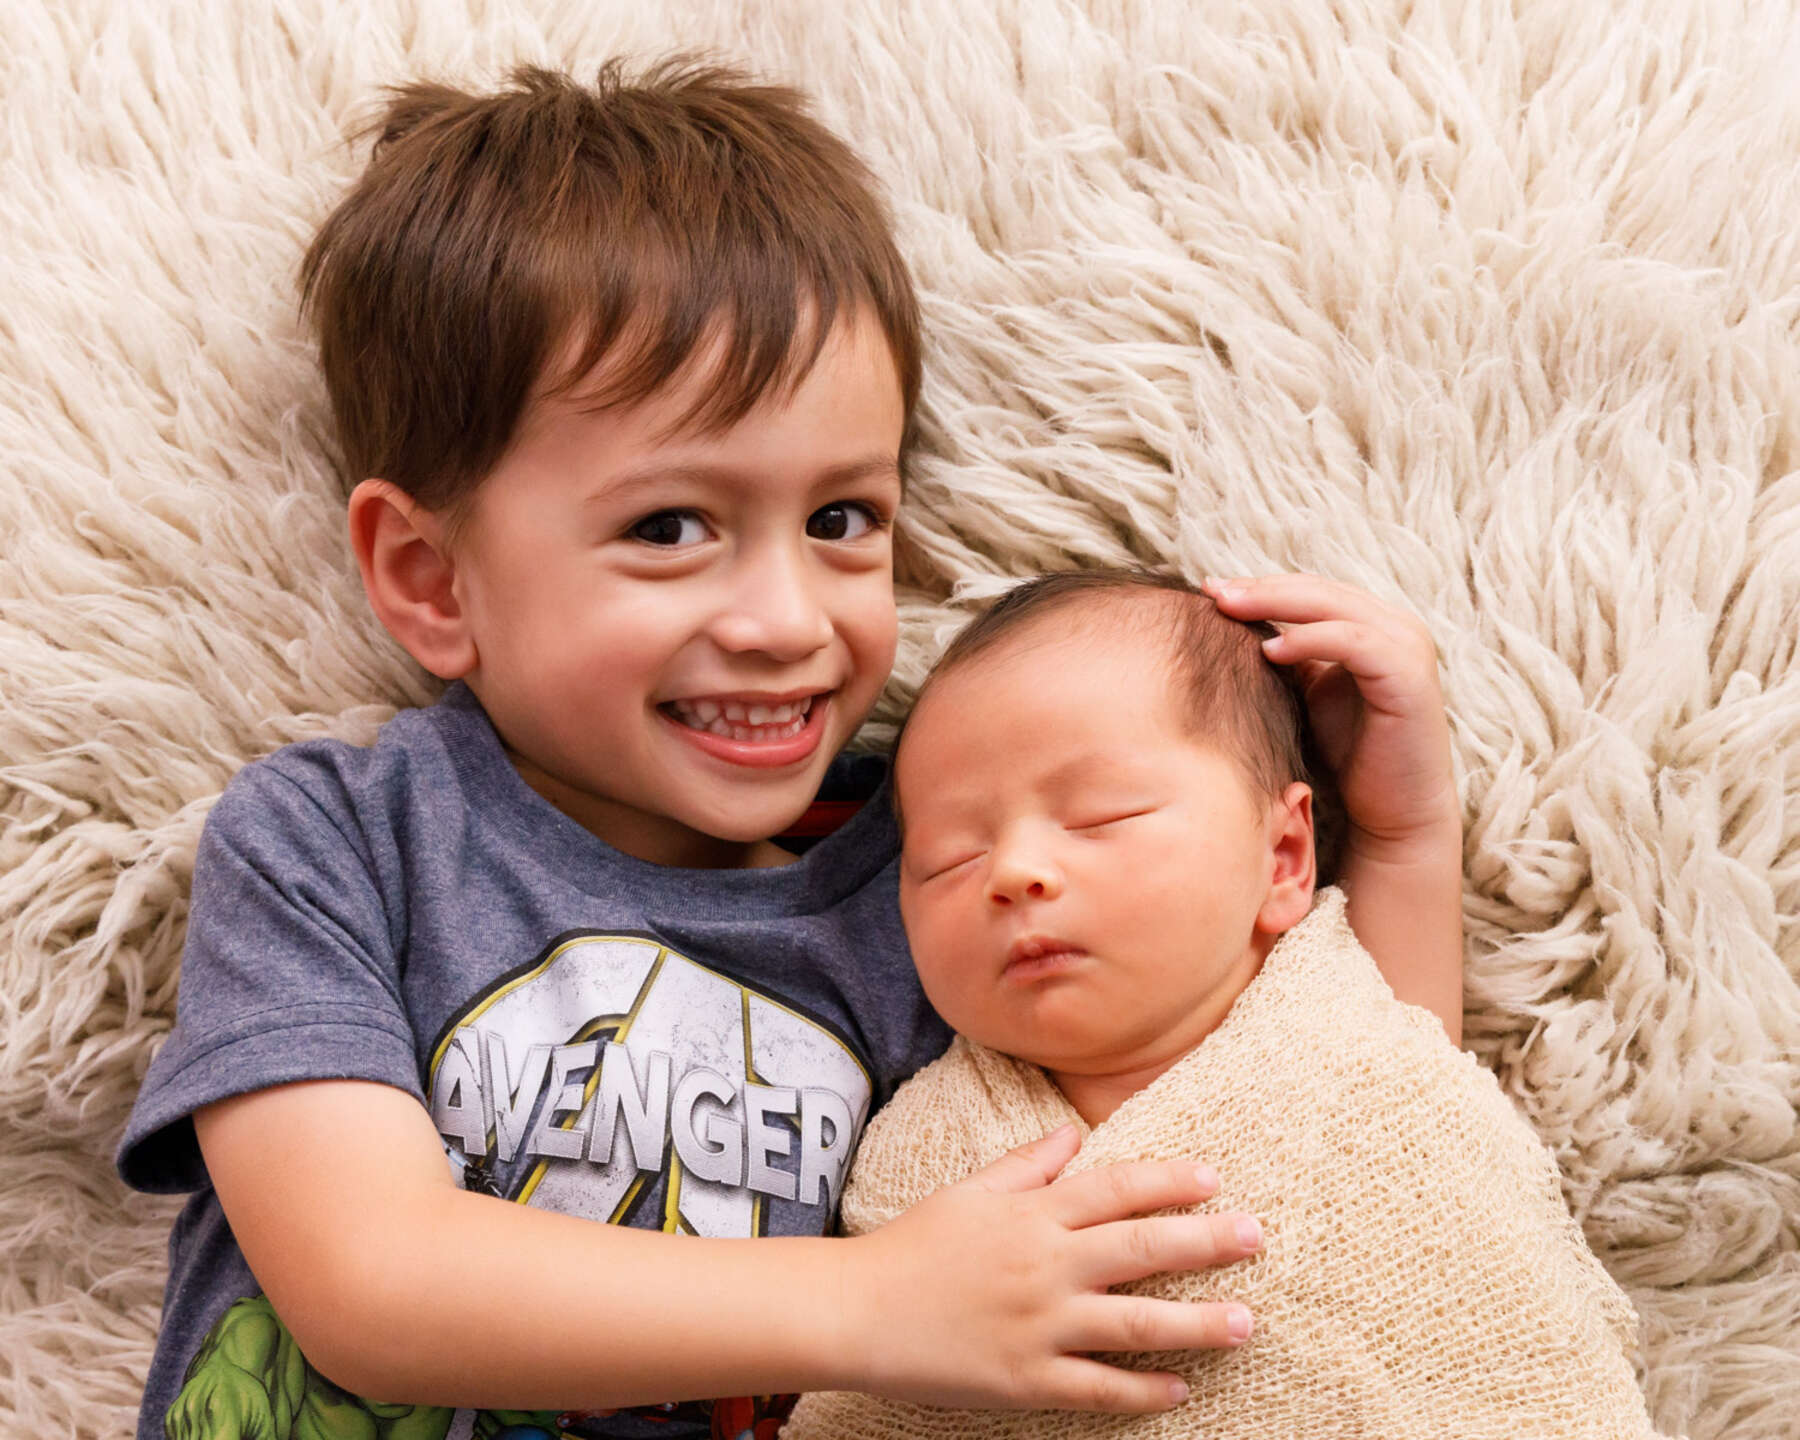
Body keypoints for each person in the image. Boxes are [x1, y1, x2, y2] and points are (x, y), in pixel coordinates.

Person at [113, 62, 1464, 1440]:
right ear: (431, 578)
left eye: (840, 520)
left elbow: (1338, 1123)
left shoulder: (934, 890)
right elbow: (369, 1283)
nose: (784, 621)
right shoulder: (337, 842)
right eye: (670, 528)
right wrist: (878, 1303)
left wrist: (1406, 834)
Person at [781, 570, 1662, 1440]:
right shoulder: (920, 1136)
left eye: (1099, 816)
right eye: (950, 859)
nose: (1013, 873)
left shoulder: (1339, 1023)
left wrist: (1407, 815)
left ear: (1282, 858)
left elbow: (1407, 933)